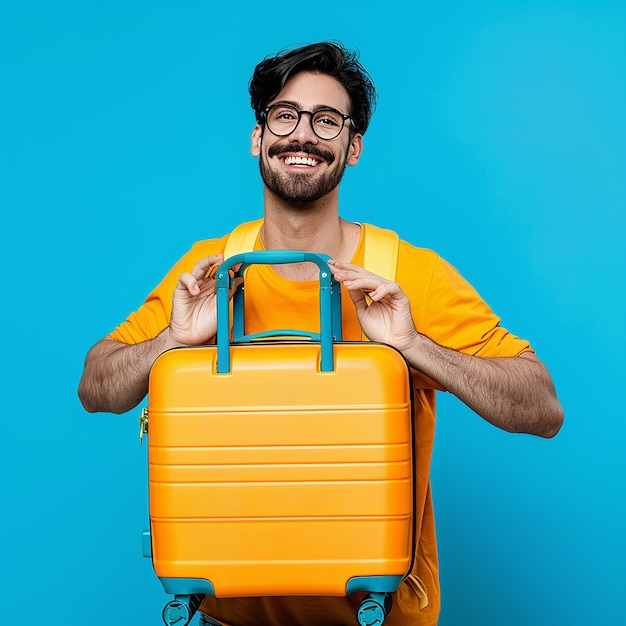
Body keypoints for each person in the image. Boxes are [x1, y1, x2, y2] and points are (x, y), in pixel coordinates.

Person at [78, 41, 563, 626]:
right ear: (258, 138)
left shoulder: (408, 274)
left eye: (326, 121)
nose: (302, 135)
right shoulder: (210, 271)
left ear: (352, 147)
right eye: (285, 115)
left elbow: (541, 409)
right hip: (226, 618)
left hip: (378, 616)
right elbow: (95, 387)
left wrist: (414, 347)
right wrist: (171, 342)